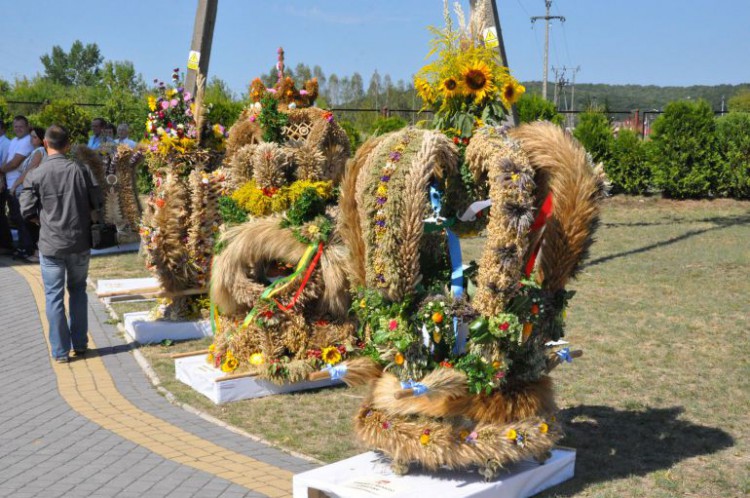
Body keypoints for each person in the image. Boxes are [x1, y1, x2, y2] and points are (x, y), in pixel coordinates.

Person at [20, 124, 103, 363]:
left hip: (50, 244)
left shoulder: (36, 174)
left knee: (54, 297)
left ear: (45, 143)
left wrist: (41, 221)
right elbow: (96, 201)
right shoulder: (81, 169)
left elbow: (25, 209)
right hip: (79, 241)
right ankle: (80, 344)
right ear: (68, 146)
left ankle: (60, 352)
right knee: (78, 291)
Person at [9, 127, 46, 262]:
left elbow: (28, 172)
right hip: (30, 190)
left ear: (42, 139)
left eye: (35, 137)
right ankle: (36, 251)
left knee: (32, 220)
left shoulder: (39, 151)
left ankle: (38, 252)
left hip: (34, 191)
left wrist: (15, 185)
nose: (31, 139)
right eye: (31, 136)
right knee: (30, 221)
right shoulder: (33, 151)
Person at [1, 116, 34, 258]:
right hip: (10, 183)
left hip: (21, 185)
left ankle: (28, 249)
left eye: (21, 126)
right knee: (15, 217)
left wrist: (1, 170)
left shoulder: (27, 141)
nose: (18, 129)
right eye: (16, 126)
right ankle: (22, 247)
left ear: (27, 126)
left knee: (22, 218)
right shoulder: (14, 140)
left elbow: (14, 163)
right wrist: (2, 175)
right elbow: (6, 161)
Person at [0, 120, 13, 254]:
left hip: (2, 182)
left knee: (1, 214)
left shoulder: (6, 143)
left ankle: (5, 244)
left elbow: (5, 164)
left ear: (3, 129)